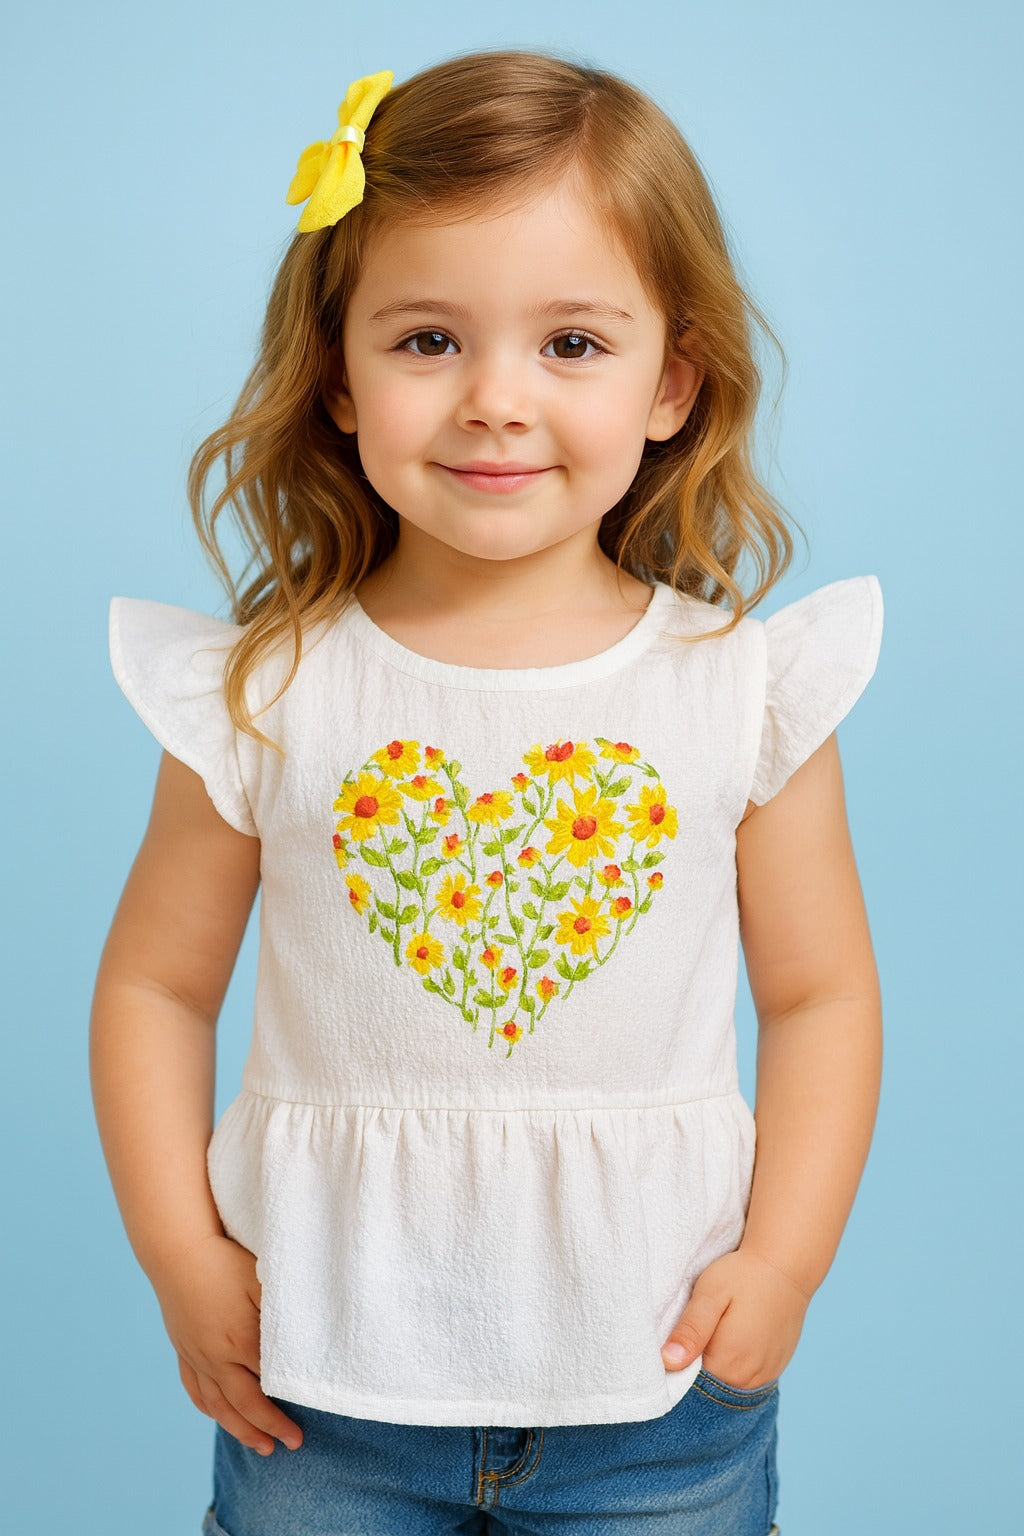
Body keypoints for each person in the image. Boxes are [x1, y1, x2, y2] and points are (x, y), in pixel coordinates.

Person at [91, 50, 884, 1536]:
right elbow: (153, 986)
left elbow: (825, 992)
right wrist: (180, 1254)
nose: (496, 402)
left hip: (657, 1391)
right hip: (319, 1393)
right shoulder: (266, 690)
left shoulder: (739, 688)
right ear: (337, 374)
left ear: (674, 382)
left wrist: (783, 1261)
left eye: (573, 344)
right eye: (430, 339)